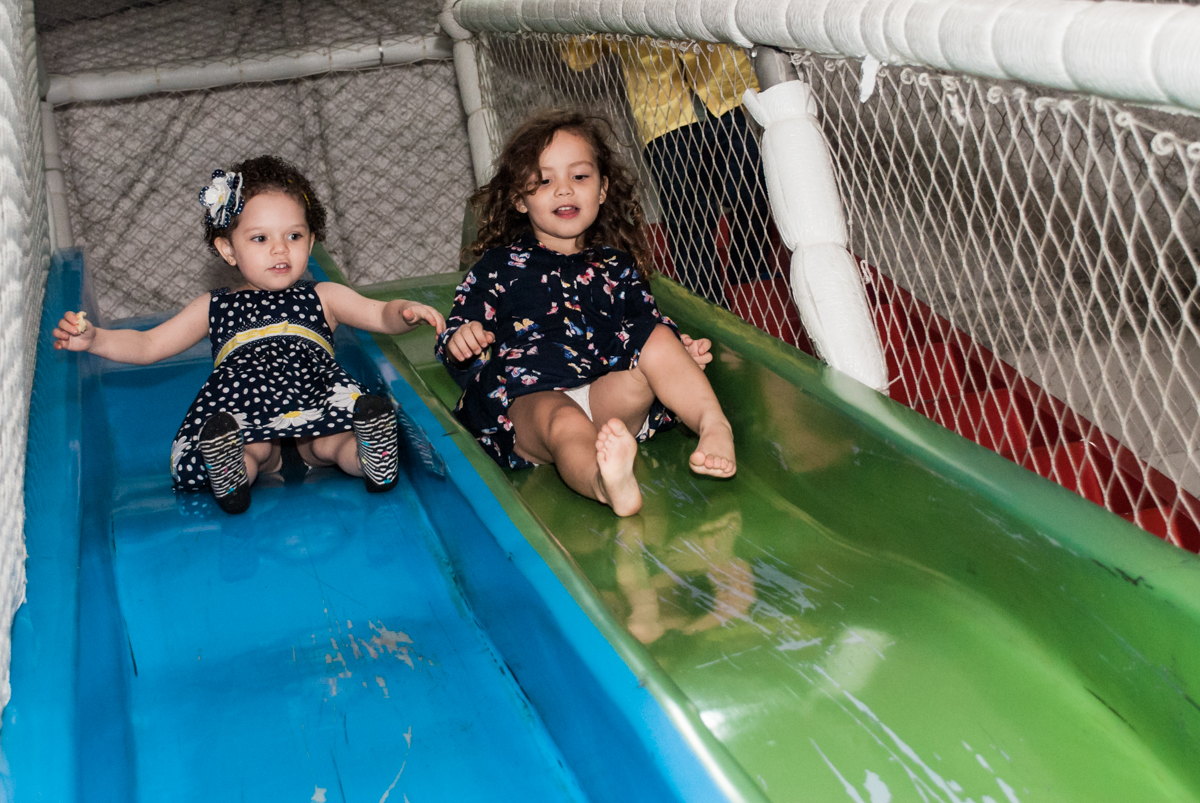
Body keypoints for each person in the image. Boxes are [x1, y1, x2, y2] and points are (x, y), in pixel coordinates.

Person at [53, 155, 445, 514]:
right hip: (247, 409)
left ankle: (370, 457)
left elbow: (377, 313)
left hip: (315, 401)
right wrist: (96, 340)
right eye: (260, 239)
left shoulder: (323, 296)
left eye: (294, 236)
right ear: (228, 249)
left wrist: (404, 312)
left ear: (310, 242)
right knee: (251, 446)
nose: (280, 250)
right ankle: (232, 473)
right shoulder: (214, 306)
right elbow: (149, 343)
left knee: (333, 440)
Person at [436, 111, 736, 518]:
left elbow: (643, 327)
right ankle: (605, 481)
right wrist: (462, 339)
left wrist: (678, 352)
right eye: (544, 181)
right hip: (534, 399)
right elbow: (458, 334)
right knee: (564, 423)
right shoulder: (498, 266)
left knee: (658, 336)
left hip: (606, 394)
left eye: (579, 177)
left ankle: (713, 425)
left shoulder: (617, 265)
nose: (564, 190)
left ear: (602, 189)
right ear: (519, 199)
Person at [562, 37, 773, 303]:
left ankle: (749, 270)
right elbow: (578, 58)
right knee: (688, 211)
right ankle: (705, 301)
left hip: (723, 95)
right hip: (663, 113)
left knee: (752, 190)